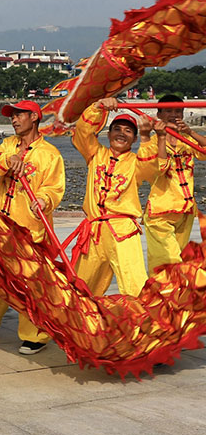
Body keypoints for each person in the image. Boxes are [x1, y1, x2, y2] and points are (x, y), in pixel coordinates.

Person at [0, 100, 65, 355]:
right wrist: (7, 160)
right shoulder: (8, 144)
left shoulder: (50, 154)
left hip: (29, 227)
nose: (14, 120)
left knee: (31, 281)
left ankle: (36, 334)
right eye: (12, 116)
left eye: (19, 115)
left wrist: (43, 199)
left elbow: (54, 187)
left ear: (34, 117)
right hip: (2, 223)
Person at [71, 98, 160, 296]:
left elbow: (151, 170)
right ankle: (80, 325)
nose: (121, 133)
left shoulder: (136, 162)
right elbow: (82, 132)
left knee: (134, 285)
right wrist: (96, 107)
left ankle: (142, 325)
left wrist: (146, 137)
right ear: (108, 134)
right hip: (94, 232)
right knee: (82, 288)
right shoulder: (95, 153)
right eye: (117, 129)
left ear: (134, 139)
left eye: (128, 131)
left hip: (123, 232)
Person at [142, 94, 206, 273]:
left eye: (178, 110)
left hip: (185, 210)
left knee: (176, 263)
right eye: (168, 111)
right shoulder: (152, 142)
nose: (174, 114)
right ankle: (156, 297)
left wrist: (190, 132)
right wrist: (161, 136)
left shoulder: (187, 141)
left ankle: (171, 298)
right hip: (161, 211)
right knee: (167, 260)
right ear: (159, 114)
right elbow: (158, 168)